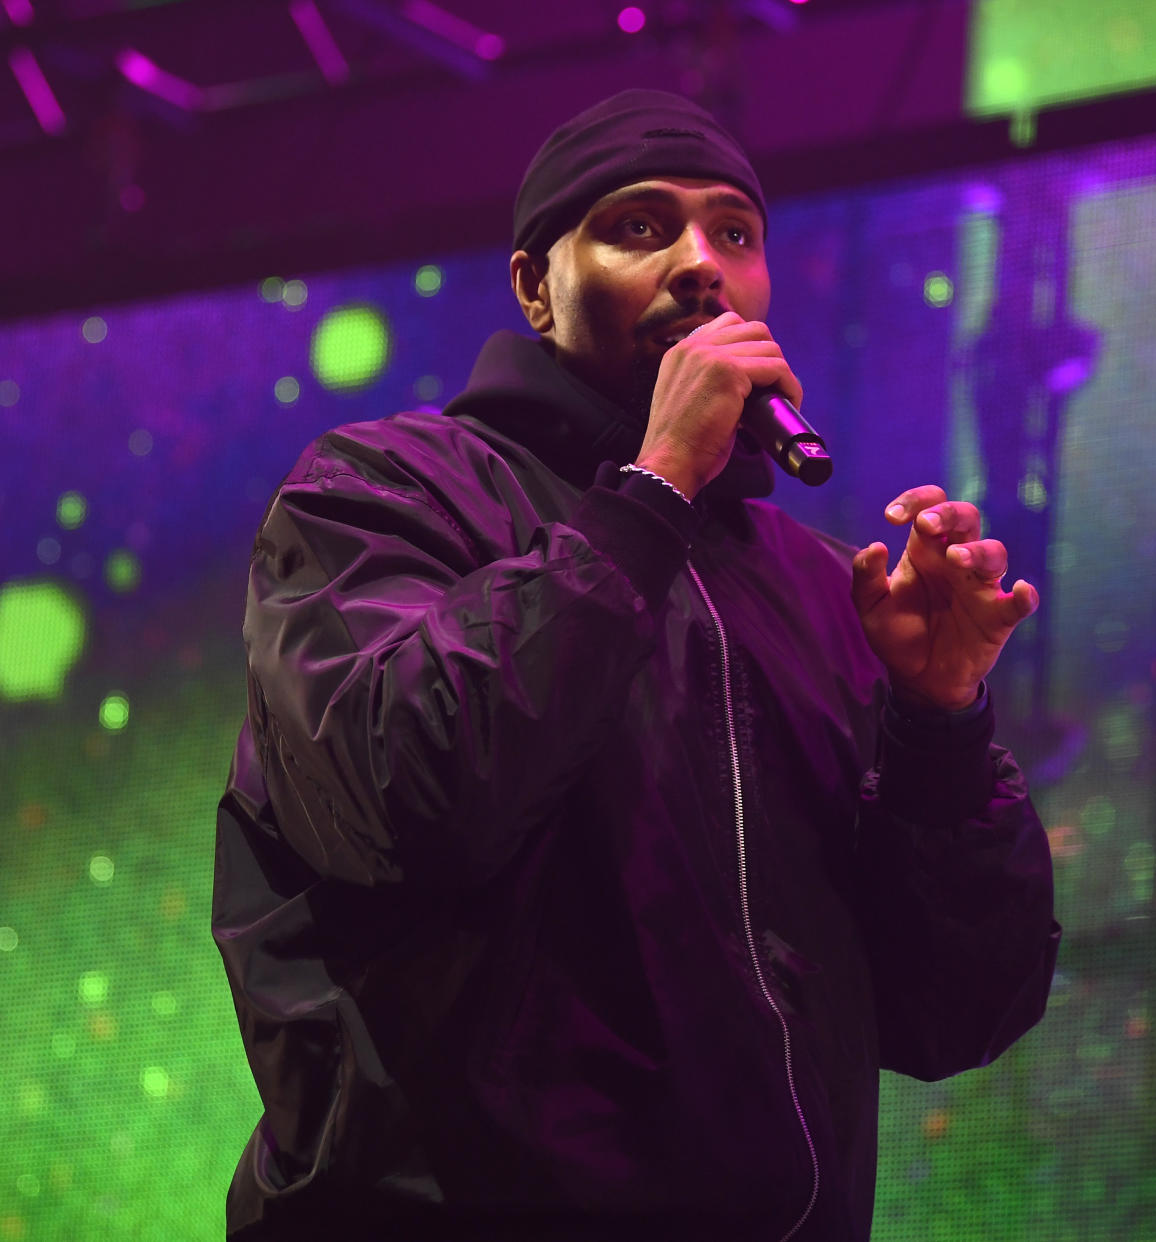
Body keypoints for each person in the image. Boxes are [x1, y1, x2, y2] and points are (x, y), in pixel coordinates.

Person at [211, 88, 1062, 1242]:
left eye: (735, 234)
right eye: (641, 227)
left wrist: (941, 722)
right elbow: (407, 798)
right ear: (533, 286)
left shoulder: (817, 586)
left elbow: (956, 1014)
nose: (702, 266)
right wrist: (654, 491)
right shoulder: (382, 494)